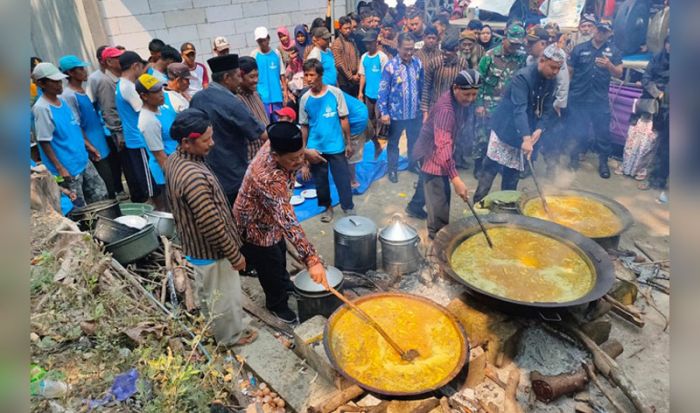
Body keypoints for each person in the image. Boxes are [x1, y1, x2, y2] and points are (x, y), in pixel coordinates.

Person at [165, 108, 257, 347]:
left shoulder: (176, 159)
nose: (212, 143)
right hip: (211, 250)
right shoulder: (193, 177)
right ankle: (230, 338)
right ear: (186, 142)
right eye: (206, 140)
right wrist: (235, 255)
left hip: (195, 247)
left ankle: (214, 329)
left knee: (210, 294)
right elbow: (211, 224)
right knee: (224, 297)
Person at [234, 122, 330, 323]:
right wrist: (311, 260)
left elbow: (295, 149)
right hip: (254, 223)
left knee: (279, 252)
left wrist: (305, 153)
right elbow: (289, 221)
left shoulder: (280, 141)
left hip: (272, 218)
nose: (299, 161)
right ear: (276, 156)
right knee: (269, 264)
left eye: (300, 155)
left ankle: (285, 285)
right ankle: (277, 306)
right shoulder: (267, 178)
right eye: (293, 159)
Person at [472, 45, 565, 203]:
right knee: (490, 169)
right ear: (542, 61)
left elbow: (548, 107)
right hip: (506, 128)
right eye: (553, 67)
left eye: (559, 68)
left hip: (526, 131)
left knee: (512, 174)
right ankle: (478, 204)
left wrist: (540, 129)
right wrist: (527, 138)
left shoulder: (551, 80)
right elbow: (519, 109)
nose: (556, 72)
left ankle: (507, 208)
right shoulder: (523, 77)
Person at [411, 70, 482, 238]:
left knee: (428, 187)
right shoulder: (446, 110)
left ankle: (414, 205)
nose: (471, 99)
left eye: (474, 94)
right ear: (456, 87)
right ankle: (437, 240)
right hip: (432, 155)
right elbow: (442, 146)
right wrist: (455, 178)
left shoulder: (459, 100)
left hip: (439, 149)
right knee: (440, 201)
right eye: (467, 94)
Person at [190, 54, 268, 205]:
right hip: (233, 176)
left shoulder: (197, 98)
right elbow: (262, 134)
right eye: (238, 76)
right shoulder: (232, 103)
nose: (240, 80)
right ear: (226, 77)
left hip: (206, 173)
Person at [32, 62, 108, 206]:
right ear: (41, 83)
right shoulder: (42, 108)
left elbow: (74, 126)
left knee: (100, 196)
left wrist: (89, 146)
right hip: (67, 167)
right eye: (54, 82)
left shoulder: (62, 101)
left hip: (82, 160)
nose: (59, 85)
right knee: (79, 206)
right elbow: (44, 141)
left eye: (59, 81)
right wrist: (60, 168)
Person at [299, 59, 355, 222]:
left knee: (342, 179)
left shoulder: (335, 93)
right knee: (321, 182)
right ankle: (327, 208)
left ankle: (348, 206)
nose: (308, 79)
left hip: (336, 145)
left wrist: (348, 142)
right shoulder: (305, 99)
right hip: (316, 148)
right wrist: (304, 152)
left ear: (321, 75)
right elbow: (304, 127)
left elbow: (344, 119)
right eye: (306, 75)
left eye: (312, 75)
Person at [566, 21, 623, 178]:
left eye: (604, 31)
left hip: (599, 100)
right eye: (598, 29)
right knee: (577, 130)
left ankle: (603, 164)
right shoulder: (579, 49)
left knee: (603, 134)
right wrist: (565, 95)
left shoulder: (614, 51)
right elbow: (569, 72)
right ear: (593, 29)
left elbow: (619, 73)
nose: (600, 33)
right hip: (579, 98)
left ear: (609, 33)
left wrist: (609, 65)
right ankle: (573, 159)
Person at [473, 24, 527, 178]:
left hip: (506, 108)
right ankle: (478, 167)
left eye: (517, 44)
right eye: (511, 43)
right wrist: (479, 104)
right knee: (482, 137)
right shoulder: (490, 56)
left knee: (501, 138)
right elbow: (479, 81)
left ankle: (496, 167)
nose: (514, 47)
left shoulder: (521, 58)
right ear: (504, 39)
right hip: (487, 105)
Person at [59, 55, 116, 199]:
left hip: (101, 143)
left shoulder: (82, 91)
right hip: (93, 148)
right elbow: (75, 125)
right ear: (70, 73)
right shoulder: (69, 96)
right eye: (80, 69)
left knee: (111, 183)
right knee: (104, 189)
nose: (84, 71)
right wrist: (89, 146)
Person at [377, 32, 424, 183]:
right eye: (406, 49)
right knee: (393, 144)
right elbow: (383, 90)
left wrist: (423, 109)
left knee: (414, 140)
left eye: (412, 49)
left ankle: (412, 164)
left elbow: (422, 87)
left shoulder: (418, 63)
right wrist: (384, 112)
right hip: (396, 114)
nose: (409, 52)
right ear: (398, 48)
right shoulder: (390, 66)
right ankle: (392, 170)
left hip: (413, 112)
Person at [116, 51, 161, 204]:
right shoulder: (128, 87)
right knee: (151, 183)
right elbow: (143, 108)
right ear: (135, 66)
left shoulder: (121, 84)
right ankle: (160, 212)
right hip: (139, 139)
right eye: (142, 67)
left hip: (135, 137)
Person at [526, 28, 570, 177]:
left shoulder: (556, 57)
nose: (528, 45)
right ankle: (528, 164)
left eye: (533, 43)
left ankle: (552, 168)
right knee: (533, 134)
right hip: (534, 106)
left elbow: (563, 82)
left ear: (543, 43)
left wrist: (558, 104)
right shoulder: (531, 58)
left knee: (551, 138)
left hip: (551, 106)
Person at [89, 46, 128, 199]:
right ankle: (117, 190)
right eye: (117, 58)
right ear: (107, 61)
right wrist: (117, 131)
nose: (121, 60)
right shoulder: (101, 80)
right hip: (109, 128)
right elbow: (107, 108)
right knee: (115, 161)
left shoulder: (114, 78)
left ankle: (118, 189)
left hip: (114, 126)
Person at [136, 73, 178, 210]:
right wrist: (176, 180)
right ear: (144, 96)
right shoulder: (148, 121)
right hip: (168, 174)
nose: (161, 94)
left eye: (161, 89)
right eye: (155, 91)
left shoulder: (161, 108)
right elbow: (160, 156)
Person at [638, 36, 669, 191]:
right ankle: (655, 179)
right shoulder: (657, 59)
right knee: (657, 144)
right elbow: (646, 78)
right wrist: (657, 92)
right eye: (669, 43)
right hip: (657, 108)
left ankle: (660, 179)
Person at [422, 36, 469, 120]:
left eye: (447, 53)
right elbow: (426, 88)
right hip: (436, 107)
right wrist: (425, 113)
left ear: (456, 50)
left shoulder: (463, 65)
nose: (444, 56)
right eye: (443, 52)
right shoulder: (434, 63)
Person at [358, 30, 389, 143]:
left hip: (380, 95)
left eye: (370, 42)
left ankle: (380, 139)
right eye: (366, 43)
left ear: (376, 42)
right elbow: (363, 75)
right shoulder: (364, 57)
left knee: (380, 118)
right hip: (368, 93)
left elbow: (386, 78)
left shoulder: (382, 57)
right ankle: (371, 138)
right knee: (369, 117)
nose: (368, 45)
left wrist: (385, 94)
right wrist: (360, 92)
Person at [250, 27, 290, 116]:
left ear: (268, 38)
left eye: (264, 40)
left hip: (277, 95)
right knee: (266, 123)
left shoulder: (276, 53)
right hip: (262, 97)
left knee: (278, 122)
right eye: (260, 41)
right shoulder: (254, 55)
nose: (263, 43)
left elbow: (282, 74)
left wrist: (285, 93)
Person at [237, 56, 269, 160]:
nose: (256, 80)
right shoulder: (236, 100)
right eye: (251, 77)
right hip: (251, 158)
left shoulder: (256, 95)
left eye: (257, 76)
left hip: (266, 153)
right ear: (240, 76)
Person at [332, 16, 361, 97]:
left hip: (355, 78)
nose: (348, 30)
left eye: (349, 28)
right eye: (345, 28)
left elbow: (357, 56)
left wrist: (358, 73)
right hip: (344, 81)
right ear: (340, 29)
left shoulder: (352, 41)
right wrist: (351, 77)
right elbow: (339, 64)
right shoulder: (337, 43)